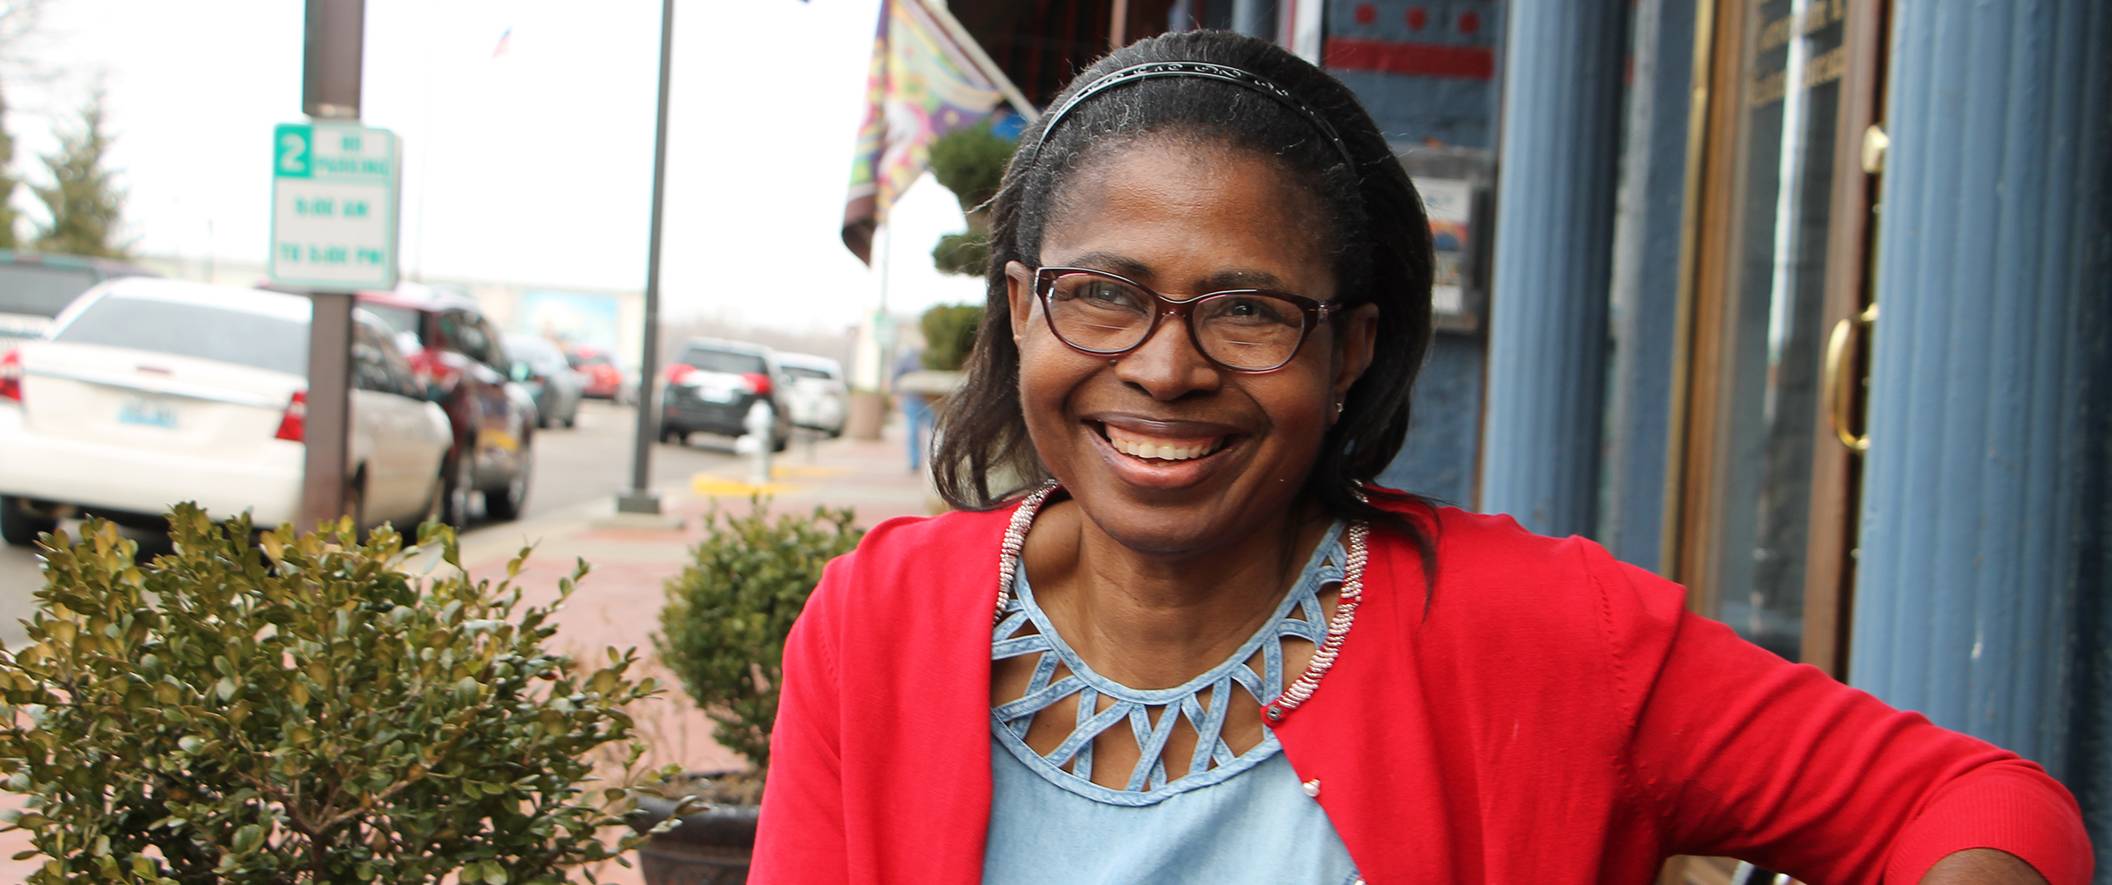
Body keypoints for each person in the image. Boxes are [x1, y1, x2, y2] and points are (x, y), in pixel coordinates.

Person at [753, 31, 2091, 884]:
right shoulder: (877, 623)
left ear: (1349, 352)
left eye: (1250, 307)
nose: (1166, 366)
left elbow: (1985, 803)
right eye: (1102, 292)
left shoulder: (1545, 631)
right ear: (1020, 309)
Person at [893, 344, 934, 473]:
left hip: (931, 400)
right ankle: (914, 462)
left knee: (935, 432)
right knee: (912, 432)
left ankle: (933, 461)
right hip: (913, 400)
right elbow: (896, 375)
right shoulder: (910, 356)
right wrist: (896, 394)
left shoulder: (935, 356)